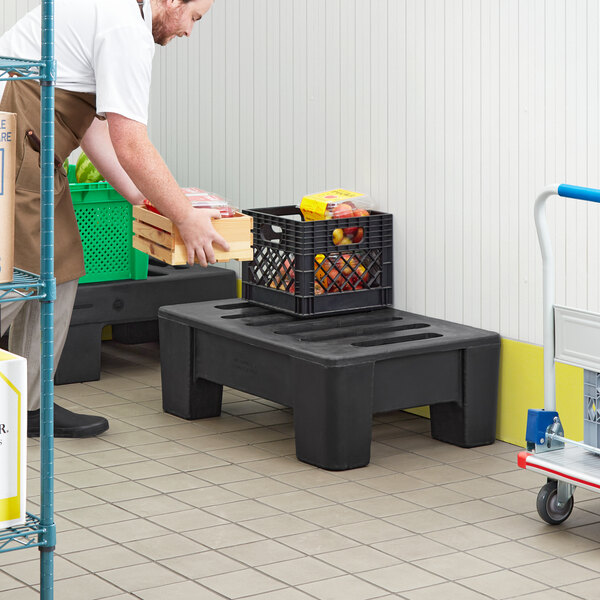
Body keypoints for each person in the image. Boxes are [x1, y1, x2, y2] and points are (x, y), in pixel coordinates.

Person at [0, 0, 229, 438]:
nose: (188, 32)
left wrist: (140, 197)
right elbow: (131, 142)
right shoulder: (126, 29)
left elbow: (91, 128)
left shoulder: (116, 12)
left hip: (33, 146)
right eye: (193, 17)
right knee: (16, 278)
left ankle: (28, 406)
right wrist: (185, 216)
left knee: (59, 269)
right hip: (12, 140)